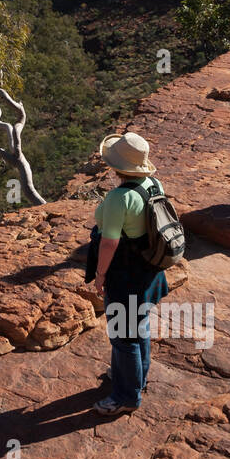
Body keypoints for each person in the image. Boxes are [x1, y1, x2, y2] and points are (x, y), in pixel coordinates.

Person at [90, 131, 170, 415]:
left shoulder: (118, 198)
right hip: (149, 270)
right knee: (138, 327)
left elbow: (110, 242)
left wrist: (100, 276)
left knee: (123, 337)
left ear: (117, 167)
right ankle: (136, 377)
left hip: (126, 275)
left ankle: (126, 397)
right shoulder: (153, 183)